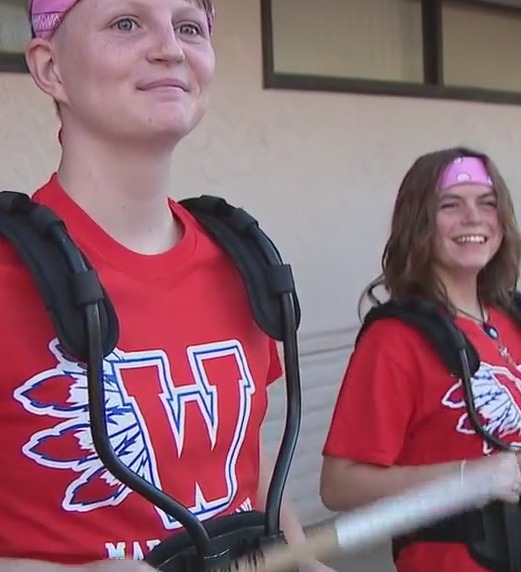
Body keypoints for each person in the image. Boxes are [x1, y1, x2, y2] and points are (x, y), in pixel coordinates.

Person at [0, 0, 333, 570]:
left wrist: (302, 559)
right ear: (50, 68)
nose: (170, 49)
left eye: (189, 27)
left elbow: (245, 472)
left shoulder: (241, 262)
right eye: (126, 23)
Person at [319, 147, 521, 572]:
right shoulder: (395, 340)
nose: (473, 218)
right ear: (419, 223)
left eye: (487, 203)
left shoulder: (518, 316)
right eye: (450, 205)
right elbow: (339, 486)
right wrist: (465, 477)